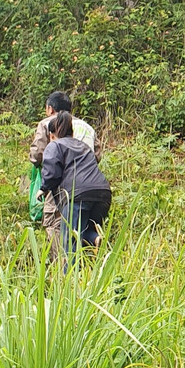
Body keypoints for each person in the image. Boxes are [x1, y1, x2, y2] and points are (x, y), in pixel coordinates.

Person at [40, 112, 112, 266]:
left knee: (68, 241)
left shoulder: (55, 145)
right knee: (83, 231)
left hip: (78, 196)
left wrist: (43, 188)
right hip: (103, 193)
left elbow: (52, 172)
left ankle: (70, 282)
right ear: (72, 132)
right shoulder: (83, 146)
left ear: (52, 135)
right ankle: (95, 240)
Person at [30, 91, 99, 248]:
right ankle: (84, 267)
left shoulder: (48, 124)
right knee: (81, 227)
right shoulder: (87, 127)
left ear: (50, 109)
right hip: (90, 184)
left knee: (55, 224)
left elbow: (37, 154)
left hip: (60, 185)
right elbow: (97, 156)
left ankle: (62, 268)